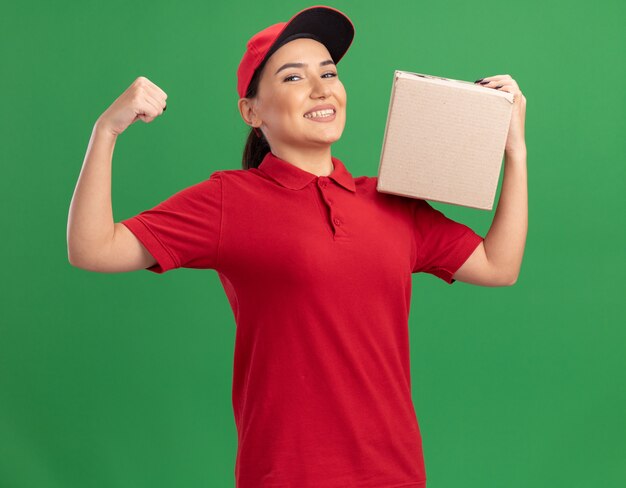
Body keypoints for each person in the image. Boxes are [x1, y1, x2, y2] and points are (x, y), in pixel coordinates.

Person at [67, 5, 528, 487]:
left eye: (329, 72)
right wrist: (107, 131)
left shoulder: (391, 201)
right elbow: (93, 247)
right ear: (251, 111)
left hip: (395, 474)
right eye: (293, 77)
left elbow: (500, 265)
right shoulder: (230, 200)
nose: (321, 87)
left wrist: (514, 150)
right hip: (285, 475)